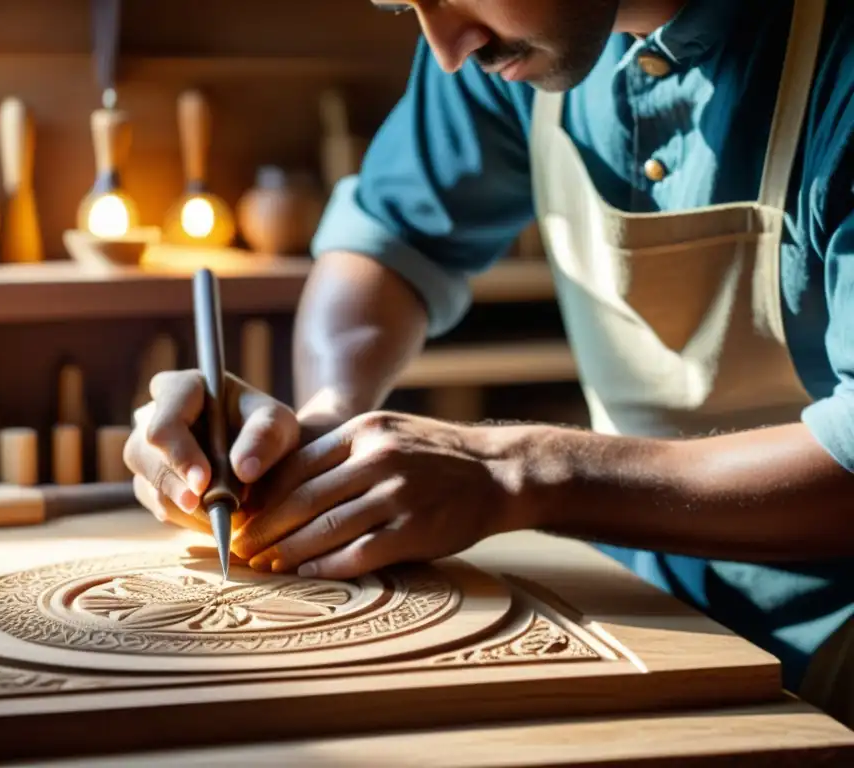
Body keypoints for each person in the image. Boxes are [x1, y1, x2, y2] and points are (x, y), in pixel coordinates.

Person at [125, 0, 854, 723]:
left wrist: (521, 472)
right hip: (646, 594)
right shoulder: (507, 37)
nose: (443, 46)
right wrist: (324, 428)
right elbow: (391, 243)